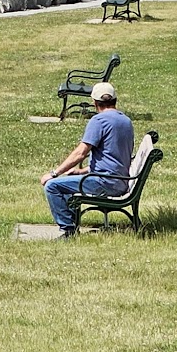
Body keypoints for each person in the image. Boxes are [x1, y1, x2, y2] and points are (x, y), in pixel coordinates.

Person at [42, 80, 135, 236]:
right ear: (115, 100)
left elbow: (81, 153)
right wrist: (81, 172)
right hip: (120, 181)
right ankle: (72, 223)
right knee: (66, 184)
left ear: (94, 102)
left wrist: (54, 173)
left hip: (104, 183)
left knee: (52, 186)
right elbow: (114, 158)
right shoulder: (126, 121)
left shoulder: (99, 121)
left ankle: (68, 230)